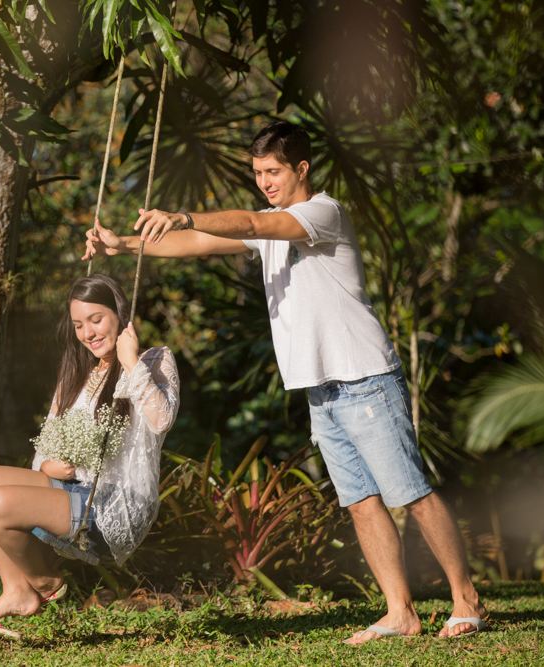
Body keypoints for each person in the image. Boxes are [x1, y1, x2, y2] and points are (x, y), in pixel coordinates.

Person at [83, 120, 487, 644]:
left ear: (302, 168)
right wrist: (122, 245)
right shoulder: (270, 224)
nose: (264, 182)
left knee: (411, 494)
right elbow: (200, 242)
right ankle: (400, 613)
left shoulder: (322, 213)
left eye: (273, 171)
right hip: (322, 388)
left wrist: (182, 213)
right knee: (360, 501)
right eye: (257, 173)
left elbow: (249, 222)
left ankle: (467, 601)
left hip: (364, 377)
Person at [0, 273, 180, 637]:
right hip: (72, 490)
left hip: (115, 506)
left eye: (96, 320)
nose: (88, 333)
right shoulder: (77, 373)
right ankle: (16, 591)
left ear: (120, 315)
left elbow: (162, 420)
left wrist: (130, 362)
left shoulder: (154, 360)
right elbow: (45, 449)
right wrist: (48, 465)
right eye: (78, 325)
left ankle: (45, 583)